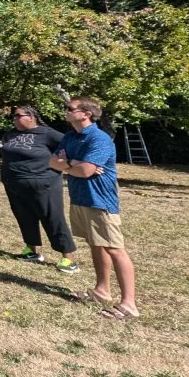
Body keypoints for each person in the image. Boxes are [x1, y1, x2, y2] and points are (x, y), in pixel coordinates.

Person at [51, 96, 138, 319]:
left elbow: (86, 171)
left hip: (100, 201)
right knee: (96, 244)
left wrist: (68, 164)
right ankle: (102, 291)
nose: (66, 111)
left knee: (114, 248)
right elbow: (53, 162)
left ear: (86, 114)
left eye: (70, 108)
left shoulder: (99, 139)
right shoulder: (70, 137)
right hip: (80, 198)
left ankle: (129, 305)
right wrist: (75, 165)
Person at [0, 105, 77, 272]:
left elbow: (72, 146)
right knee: (24, 216)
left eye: (18, 115)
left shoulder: (46, 133)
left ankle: (68, 258)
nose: (14, 118)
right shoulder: (11, 135)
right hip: (14, 184)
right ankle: (31, 251)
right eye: (13, 116)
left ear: (31, 117)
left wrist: (68, 163)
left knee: (52, 218)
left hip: (44, 184)